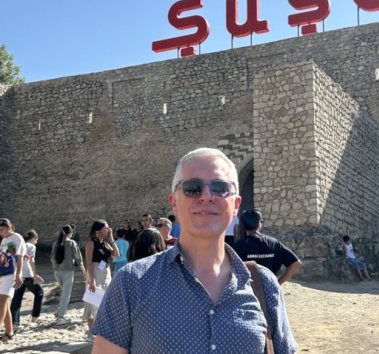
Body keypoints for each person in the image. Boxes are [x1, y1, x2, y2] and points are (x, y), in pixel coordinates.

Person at [92, 147, 297, 354]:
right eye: (192, 188)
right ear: (174, 202)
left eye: (220, 187)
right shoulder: (130, 283)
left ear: (236, 205)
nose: (206, 196)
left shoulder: (264, 285)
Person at [233, 209, 302, 285]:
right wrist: (277, 284)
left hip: (249, 289)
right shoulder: (274, 243)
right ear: (261, 223)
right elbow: (295, 263)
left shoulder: (239, 245)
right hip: (270, 289)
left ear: (242, 225)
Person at [0, 218, 26, 343]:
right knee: (4, 302)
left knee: (3, 300)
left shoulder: (16, 238)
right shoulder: (5, 240)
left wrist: (18, 274)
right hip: (1, 273)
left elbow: (19, 257)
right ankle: (9, 332)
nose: (0, 233)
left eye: (2, 230)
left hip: (10, 274)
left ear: (9, 227)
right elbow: (9, 254)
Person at [83, 220, 119, 341]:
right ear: (98, 230)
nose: (108, 229)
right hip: (95, 272)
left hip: (105, 273)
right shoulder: (91, 244)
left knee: (104, 302)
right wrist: (91, 280)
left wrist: (111, 238)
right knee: (92, 301)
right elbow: (88, 263)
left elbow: (117, 255)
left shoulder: (106, 244)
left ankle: (100, 331)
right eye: (106, 228)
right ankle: (91, 332)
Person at [51, 225, 85, 325]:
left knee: (64, 293)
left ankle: (59, 312)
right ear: (70, 233)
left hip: (57, 272)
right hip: (68, 272)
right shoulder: (72, 243)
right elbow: (78, 258)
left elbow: (52, 258)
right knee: (66, 296)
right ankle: (60, 318)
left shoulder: (56, 243)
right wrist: (84, 271)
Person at [10, 230, 44, 326]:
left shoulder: (19, 245)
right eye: (36, 239)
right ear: (33, 238)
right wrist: (35, 275)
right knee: (39, 293)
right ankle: (35, 316)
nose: (36, 242)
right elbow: (31, 261)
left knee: (17, 298)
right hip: (28, 275)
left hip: (18, 275)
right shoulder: (31, 246)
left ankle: (15, 322)